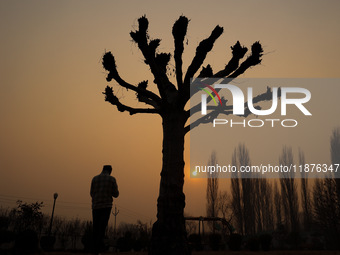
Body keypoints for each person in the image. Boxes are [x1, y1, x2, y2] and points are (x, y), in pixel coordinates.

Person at [90, 165, 119, 254]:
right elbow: (116, 194)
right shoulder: (112, 179)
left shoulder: (94, 179)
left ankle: (94, 249)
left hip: (96, 206)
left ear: (102, 170)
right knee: (102, 228)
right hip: (106, 206)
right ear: (110, 171)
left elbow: (91, 193)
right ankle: (98, 248)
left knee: (96, 227)